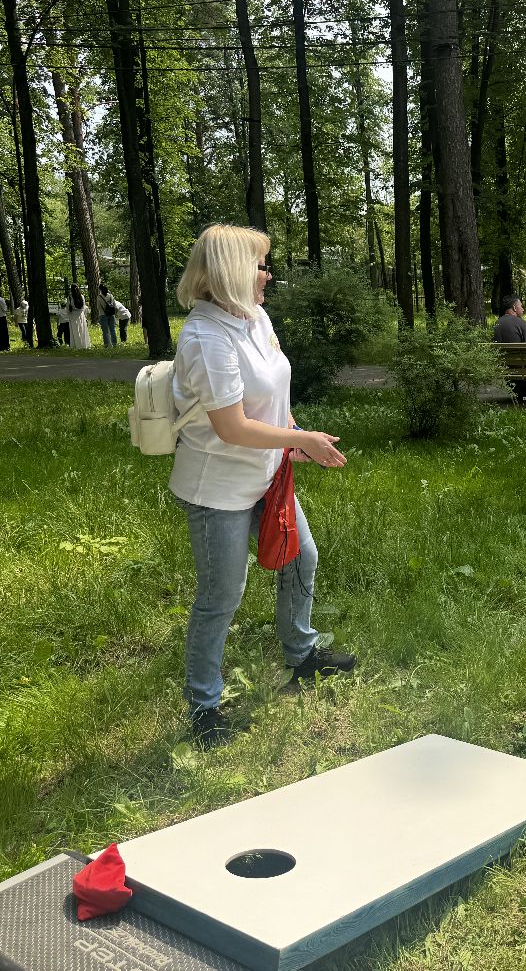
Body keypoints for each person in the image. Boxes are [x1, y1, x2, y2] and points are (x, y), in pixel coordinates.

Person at [171, 224, 356, 747]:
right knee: (221, 596)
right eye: (258, 264)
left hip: (266, 473)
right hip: (219, 488)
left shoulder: (254, 317)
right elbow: (230, 427)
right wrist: (306, 440)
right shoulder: (205, 338)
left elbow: (273, 391)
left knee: (302, 557)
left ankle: (303, 655)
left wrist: (293, 436)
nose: (266, 273)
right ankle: (204, 708)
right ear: (231, 272)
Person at [493, 294, 526, 402]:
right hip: (522, 369)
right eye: (521, 306)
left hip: (505, 369)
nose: (523, 309)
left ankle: (520, 393)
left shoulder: (497, 324)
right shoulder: (521, 323)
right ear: (515, 308)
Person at [66, 284, 91, 349]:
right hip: (81, 315)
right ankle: (84, 345)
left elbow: (68, 308)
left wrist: (69, 313)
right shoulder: (82, 296)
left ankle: (77, 345)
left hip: (73, 316)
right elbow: (83, 307)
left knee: (75, 331)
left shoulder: (70, 297)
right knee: (82, 330)